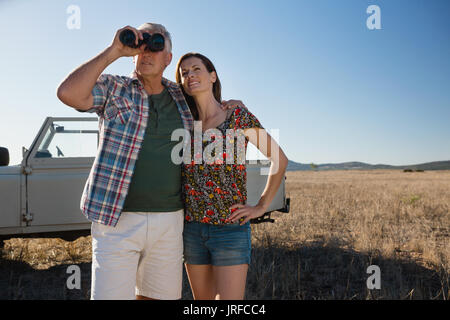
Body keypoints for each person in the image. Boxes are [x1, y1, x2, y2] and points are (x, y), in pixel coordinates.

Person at [56, 23, 243, 300]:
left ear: (168, 58)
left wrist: (230, 104)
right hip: (116, 218)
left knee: (159, 297)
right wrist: (113, 50)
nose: (146, 52)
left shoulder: (182, 96)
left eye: (155, 45)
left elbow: (210, 108)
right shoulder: (114, 88)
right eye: (140, 46)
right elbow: (68, 94)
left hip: (170, 220)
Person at [175, 53, 289, 300]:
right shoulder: (184, 121)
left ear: (212, 76)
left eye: (196, 69)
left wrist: (261, 206)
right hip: (192, 229)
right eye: (184, 73)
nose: (190, 75)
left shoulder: (237, 116)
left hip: (229, 229)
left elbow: (279, 159)